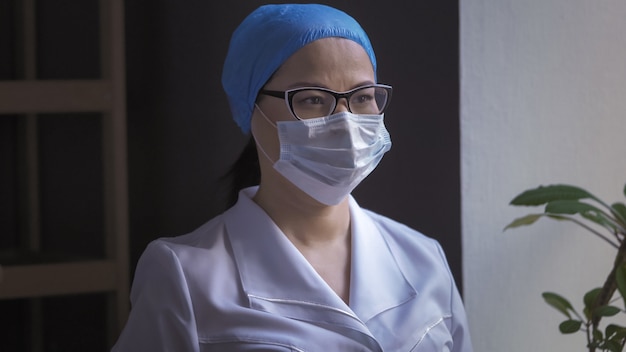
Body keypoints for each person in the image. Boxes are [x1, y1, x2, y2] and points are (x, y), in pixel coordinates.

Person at [112, 4, 472, 352]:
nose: (345, 122)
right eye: (313, 99)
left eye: (362, 97)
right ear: (251, 109)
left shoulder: (424, 258)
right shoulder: (183, 276)